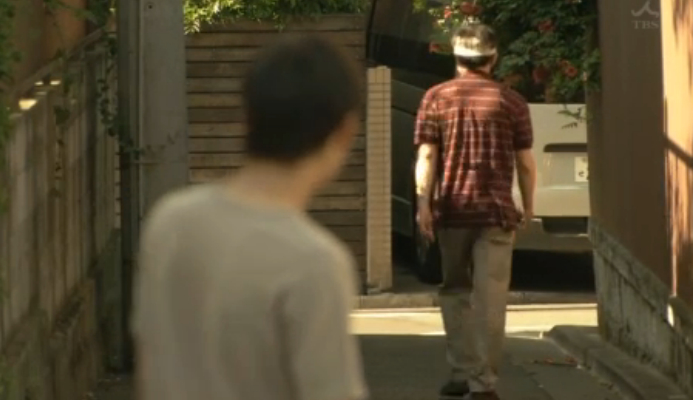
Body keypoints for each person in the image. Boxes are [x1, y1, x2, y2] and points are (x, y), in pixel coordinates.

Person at [132, 35, 368, 400]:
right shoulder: (315, 261)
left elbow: (149, 358)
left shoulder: (170, 221)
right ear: (345, 131)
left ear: (248, 117)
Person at [413, 23, 537, 400]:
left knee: (454, 290)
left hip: (452, 210)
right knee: (491, 298)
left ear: (457, 58)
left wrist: (423, 204)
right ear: (492, 58)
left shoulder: (435, 97)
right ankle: (483, 383)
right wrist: (528, 204)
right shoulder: (512, 102)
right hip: (496, 213)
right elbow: (525, 162)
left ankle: (460, 371)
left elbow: (427, 155)